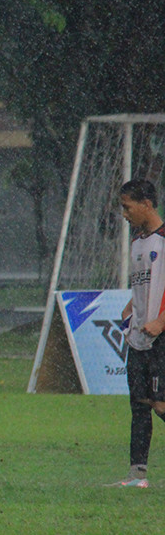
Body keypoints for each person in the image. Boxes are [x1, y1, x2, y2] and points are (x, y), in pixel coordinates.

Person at [112, 179, 165, 488]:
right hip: (138, 336)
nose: (124, 213)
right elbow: (144, 283)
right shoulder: (136, 242)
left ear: (147, 204)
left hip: (161, 336)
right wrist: (132, 306)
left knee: (160, 404)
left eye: (127, 207)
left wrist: (160, 321)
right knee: (140, 403)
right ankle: (137, 475)